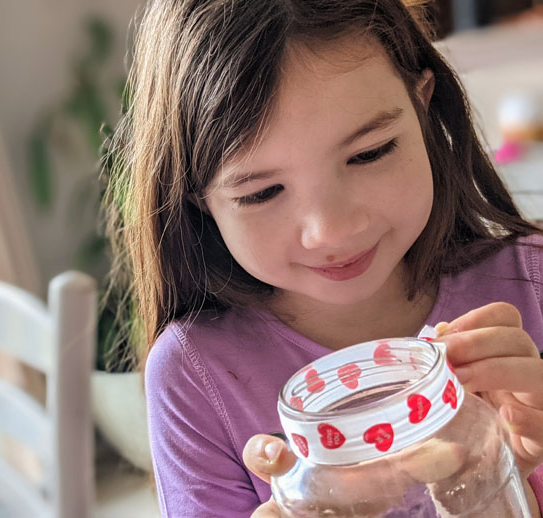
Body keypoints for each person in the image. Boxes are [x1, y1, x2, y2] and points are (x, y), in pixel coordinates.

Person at [102, 1, 543, 516]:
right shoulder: (195, 375)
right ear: (200, 200)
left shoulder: (532, 285)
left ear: (423, 109)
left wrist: (507, 482)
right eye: (262, 193)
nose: (331, 230)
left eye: (369, 153)